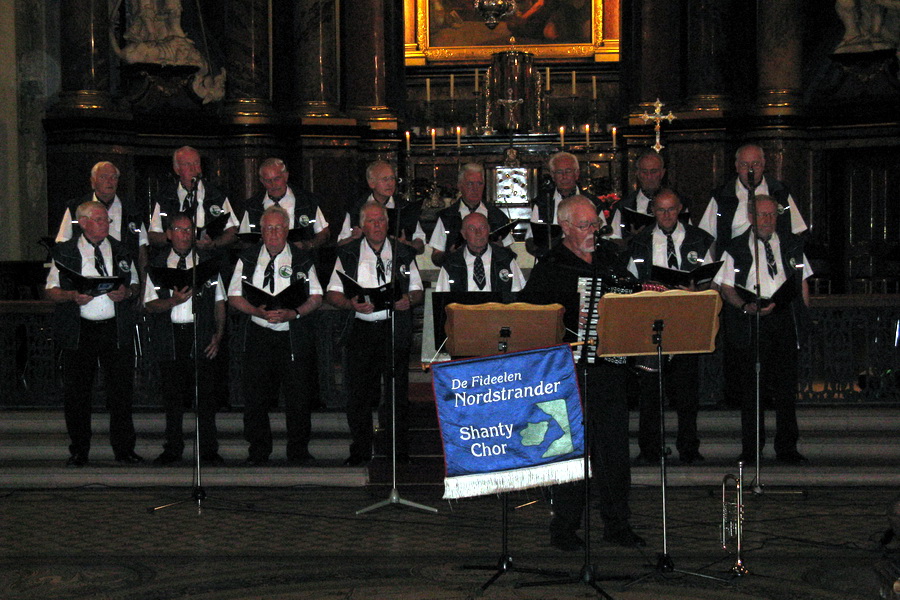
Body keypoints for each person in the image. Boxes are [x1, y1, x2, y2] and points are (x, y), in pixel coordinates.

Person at [520, 195, 646, 550]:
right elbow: (532, 319)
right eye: (584, 225)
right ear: (565, 227)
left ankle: (617, 524)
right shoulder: (550, 266)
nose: (593, 231)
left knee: (614, 450)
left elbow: (630, 296)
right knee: (569, 450)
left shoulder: (610, 258)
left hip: (609, 368)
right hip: (567, 373)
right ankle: (564, 528)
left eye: (595, 224)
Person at [713, 195, 812, 465]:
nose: (767, 220)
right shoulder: (735, 247)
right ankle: (752, 448)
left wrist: (803, 317)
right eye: (762, 215)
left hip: (784, 317)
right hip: (752, 319)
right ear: (750, 216)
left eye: (771, 214)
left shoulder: (792, 244)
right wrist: (745, 306)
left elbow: (802, 282)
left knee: (785, 387)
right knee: (752, 387)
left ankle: (787, 447)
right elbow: (726, 286)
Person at [327, 201, 424, 466]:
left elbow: (417, 289)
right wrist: (350, 304)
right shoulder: (348, 253)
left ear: (388, 223)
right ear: (362, 226)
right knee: (358, 393)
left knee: (396, 393)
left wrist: (408, 299)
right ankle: (361, 449)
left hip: (393, 327)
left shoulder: (403, 252)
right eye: (371, 221)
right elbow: (332, 292)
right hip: (361, 329)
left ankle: (396, 450)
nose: (377, 225)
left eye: (381, 220)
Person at [45, 201, 142, 466]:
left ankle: (124, 449)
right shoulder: (65, 251)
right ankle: (79, 449)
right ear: (84, 223)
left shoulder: (121, 249)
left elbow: (135, 283)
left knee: (120, 391)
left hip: (114, 328)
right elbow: (51, 290)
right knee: (77, 392)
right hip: (81, 330)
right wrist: (71, 295)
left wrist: (126, 292)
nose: (105, 224)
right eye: (99, 219)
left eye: (107, 220)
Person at [228, 205, 323, 465]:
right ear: (261, 231)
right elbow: (234, 295)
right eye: (268, 228)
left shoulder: (302, 258)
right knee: (255, 396)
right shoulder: (247, 258)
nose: (273, 233)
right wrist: (255, 311)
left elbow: (317, 296)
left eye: (279, 228)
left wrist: (295, 313)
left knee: (297, 396)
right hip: (258, 334)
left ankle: (298, 451)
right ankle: (258, 450)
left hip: (291, 335)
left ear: (287, 230)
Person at [627, 189, 715, 465]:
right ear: (653, 211)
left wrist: (697, 290)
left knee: (686, 389)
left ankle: (689, 447)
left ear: (680, 210)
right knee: (650, 388)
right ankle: (650, 448)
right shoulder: (640, 242)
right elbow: (629, 281)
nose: (666, 215)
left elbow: (712, 280)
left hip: (686, 319)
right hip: (650, 320)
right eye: (661, 210)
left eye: (671, 209)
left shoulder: (699, 239)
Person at [144, 213, 226, 466]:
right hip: (170, 337)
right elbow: (149, 304)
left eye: (189, 229)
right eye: (179, 230)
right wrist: (173, 301)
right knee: (173, 397)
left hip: (200, 334)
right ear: (169, 234)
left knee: (205, 396)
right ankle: (173, 448)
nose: (185, 234)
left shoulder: (206, 262)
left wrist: (218, 334)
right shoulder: (158, 263)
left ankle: (208, 449)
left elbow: (219, 301)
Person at [699, 144, 807, 258]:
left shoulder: (779, 192)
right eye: (744, 164)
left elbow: (797, 230)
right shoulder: (722, 196)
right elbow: (707, 236)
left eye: (755, 164)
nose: (750, 169)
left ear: (763, 164)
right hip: (734, 262)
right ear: (736, 166)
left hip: (775, 259)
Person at [55, 161, 149, 273]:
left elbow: (142, 249)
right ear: (93, 182)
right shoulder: (75, 207)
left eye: (114, 177)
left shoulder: (131, 210)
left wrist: (143, 280)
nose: (109, 181)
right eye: (103, 177)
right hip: (85, 272)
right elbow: (62, 243)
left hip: (124, 273)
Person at [525, 151, 621, 258]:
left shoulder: (593, 203)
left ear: (577, 174)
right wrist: (546, 254)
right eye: (559, 172)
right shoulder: (542, 203)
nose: (564, 176)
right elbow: (530, 240)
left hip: (585, 260)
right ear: (552, 175)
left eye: (568, 171)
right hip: (552, 261)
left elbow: (603, 238)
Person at [148, 146, 239, 252]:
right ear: (177, 169)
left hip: (209, 258)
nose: (193, 169)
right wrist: (171, 237)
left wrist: (213, 244)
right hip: (174, 258)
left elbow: (233, 232)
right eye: (187, 164)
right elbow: (153, 236)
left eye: (196, 163)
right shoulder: (165, 197)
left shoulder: (216, 195)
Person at [427, 163, 514, 268]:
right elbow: (436, 257)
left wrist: (500, 249)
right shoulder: (447, 217)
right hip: (458, 274)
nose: (475, 189)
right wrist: (451, 255)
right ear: (460, 185)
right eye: (470, 184)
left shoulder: (496, 216)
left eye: (479, 184)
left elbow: (510, 256)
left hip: (490, 273)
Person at [238, 158, 331, 252]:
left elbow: (323, 234)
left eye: (277, 179)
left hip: (301, 258)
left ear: (286, 176)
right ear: (262, 181)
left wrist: (307, 245)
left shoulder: (307, 201)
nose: (273, 185)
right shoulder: (253, 206)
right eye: (268, 181)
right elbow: (244, 241)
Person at [338, 161, 426, 255]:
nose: (390, 183)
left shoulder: (404, 207)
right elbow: (340, 245)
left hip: (398, 261)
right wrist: (353, 238)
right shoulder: (356, 208)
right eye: (385, 179)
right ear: (371, 183)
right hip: (365, 261)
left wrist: (406, 244)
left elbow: (420, 246)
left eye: (392, 178)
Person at [435, 212, 526, 298]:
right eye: (472, 228)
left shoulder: (505, 260)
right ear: (463, 234)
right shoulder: (451, 264)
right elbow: (442, 300)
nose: (478, 233)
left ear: (489, 230)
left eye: (482, 227)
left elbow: (518, 297)